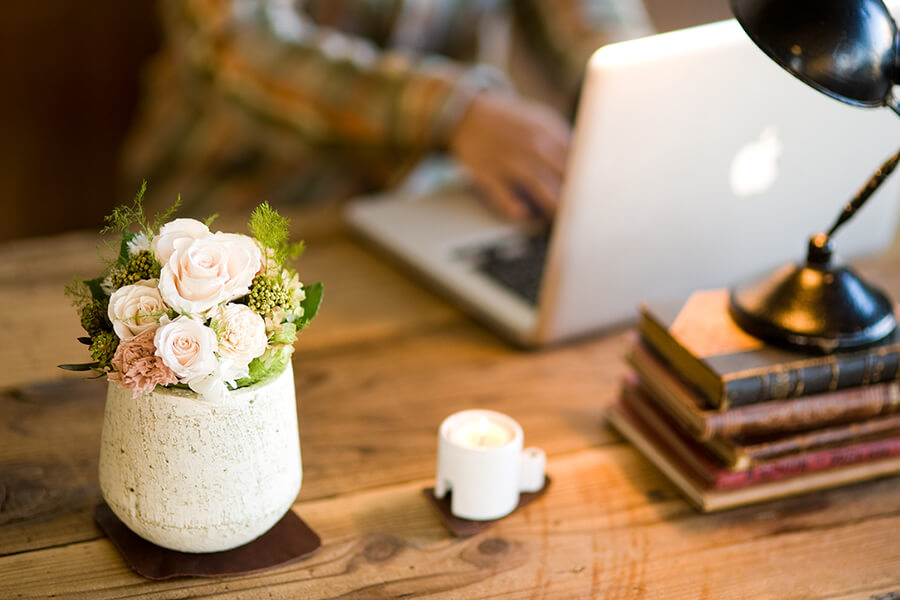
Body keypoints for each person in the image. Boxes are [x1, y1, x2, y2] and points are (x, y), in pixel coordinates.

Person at [123, 0, 654, 220]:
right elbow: (234, 49)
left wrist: (639, 86)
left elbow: (589, 18)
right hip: (241, 203)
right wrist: (455, 112)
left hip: (428, 205)